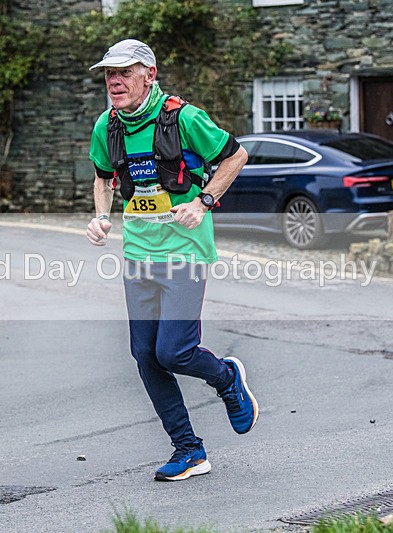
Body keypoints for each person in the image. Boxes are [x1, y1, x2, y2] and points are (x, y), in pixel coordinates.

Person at [86, 39, 257, 482]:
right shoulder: (107, 126)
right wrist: (101, 216)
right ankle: (189, 450)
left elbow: (235, 156)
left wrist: (203, 201)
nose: (114, 81)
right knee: (145, 354)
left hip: (184, 252)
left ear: (150, 75)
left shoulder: (184, 118)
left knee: (174, 351)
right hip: (138, 254)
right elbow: (103, 178)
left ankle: (226, 379)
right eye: (109, 74)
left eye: (124, 72)